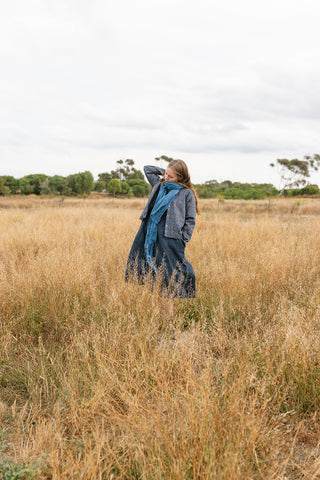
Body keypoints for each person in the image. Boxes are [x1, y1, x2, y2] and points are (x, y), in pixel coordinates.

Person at [125, 159, 199, 320]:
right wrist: (166, 171)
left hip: (171, 239)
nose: (166, 178)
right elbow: (148, 169)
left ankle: (167, 320)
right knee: (155, 276)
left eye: (171, 176)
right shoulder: (160, 186)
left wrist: (183, 238)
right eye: (165, 174)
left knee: (168, 278)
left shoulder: (187, 193)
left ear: (180, 177)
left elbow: (190, 219)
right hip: (150, 235)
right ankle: (162, 317)